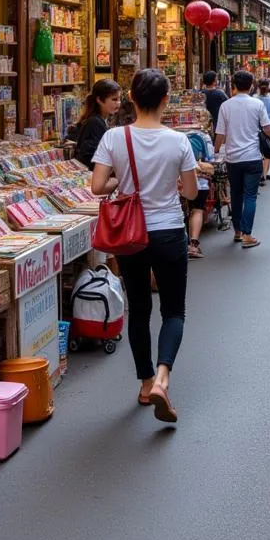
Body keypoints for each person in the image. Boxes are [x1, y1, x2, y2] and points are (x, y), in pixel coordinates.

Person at [91, 69, 199, 423]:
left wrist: (124, 183)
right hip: (168, 230)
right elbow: (192, 192)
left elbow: (97, 186)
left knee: (138, 309)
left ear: (132, 99)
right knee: (174, 311)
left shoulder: (113, 137)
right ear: (165, 100)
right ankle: (164, 379)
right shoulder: (179, 141)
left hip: (130, 235)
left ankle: (145, 382)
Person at [214, 70, 270, 248]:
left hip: (233, 158)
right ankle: (248, 235)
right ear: (251, 85)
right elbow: (268, 129)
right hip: (252, 157)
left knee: (236, 195)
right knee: (250, 196)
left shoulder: (226, 105)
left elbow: (220, 134)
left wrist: (216, 152)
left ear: (234, 85)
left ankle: (238, 232)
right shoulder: (257, 104)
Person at [70, 78, 120, 168]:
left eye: (119, 99)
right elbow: (90, 156)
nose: (118, 103)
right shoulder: (95, 122)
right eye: (114, 99)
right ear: (100, 100)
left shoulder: (102, 119)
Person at [185, 124, 216, 259]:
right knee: (197, 209)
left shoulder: (178, 136)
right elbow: (210, 159)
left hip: (181, 180)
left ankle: (184, 243)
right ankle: (193, 244)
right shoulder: (204, 137)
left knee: (184, 211)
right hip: (201, 181)